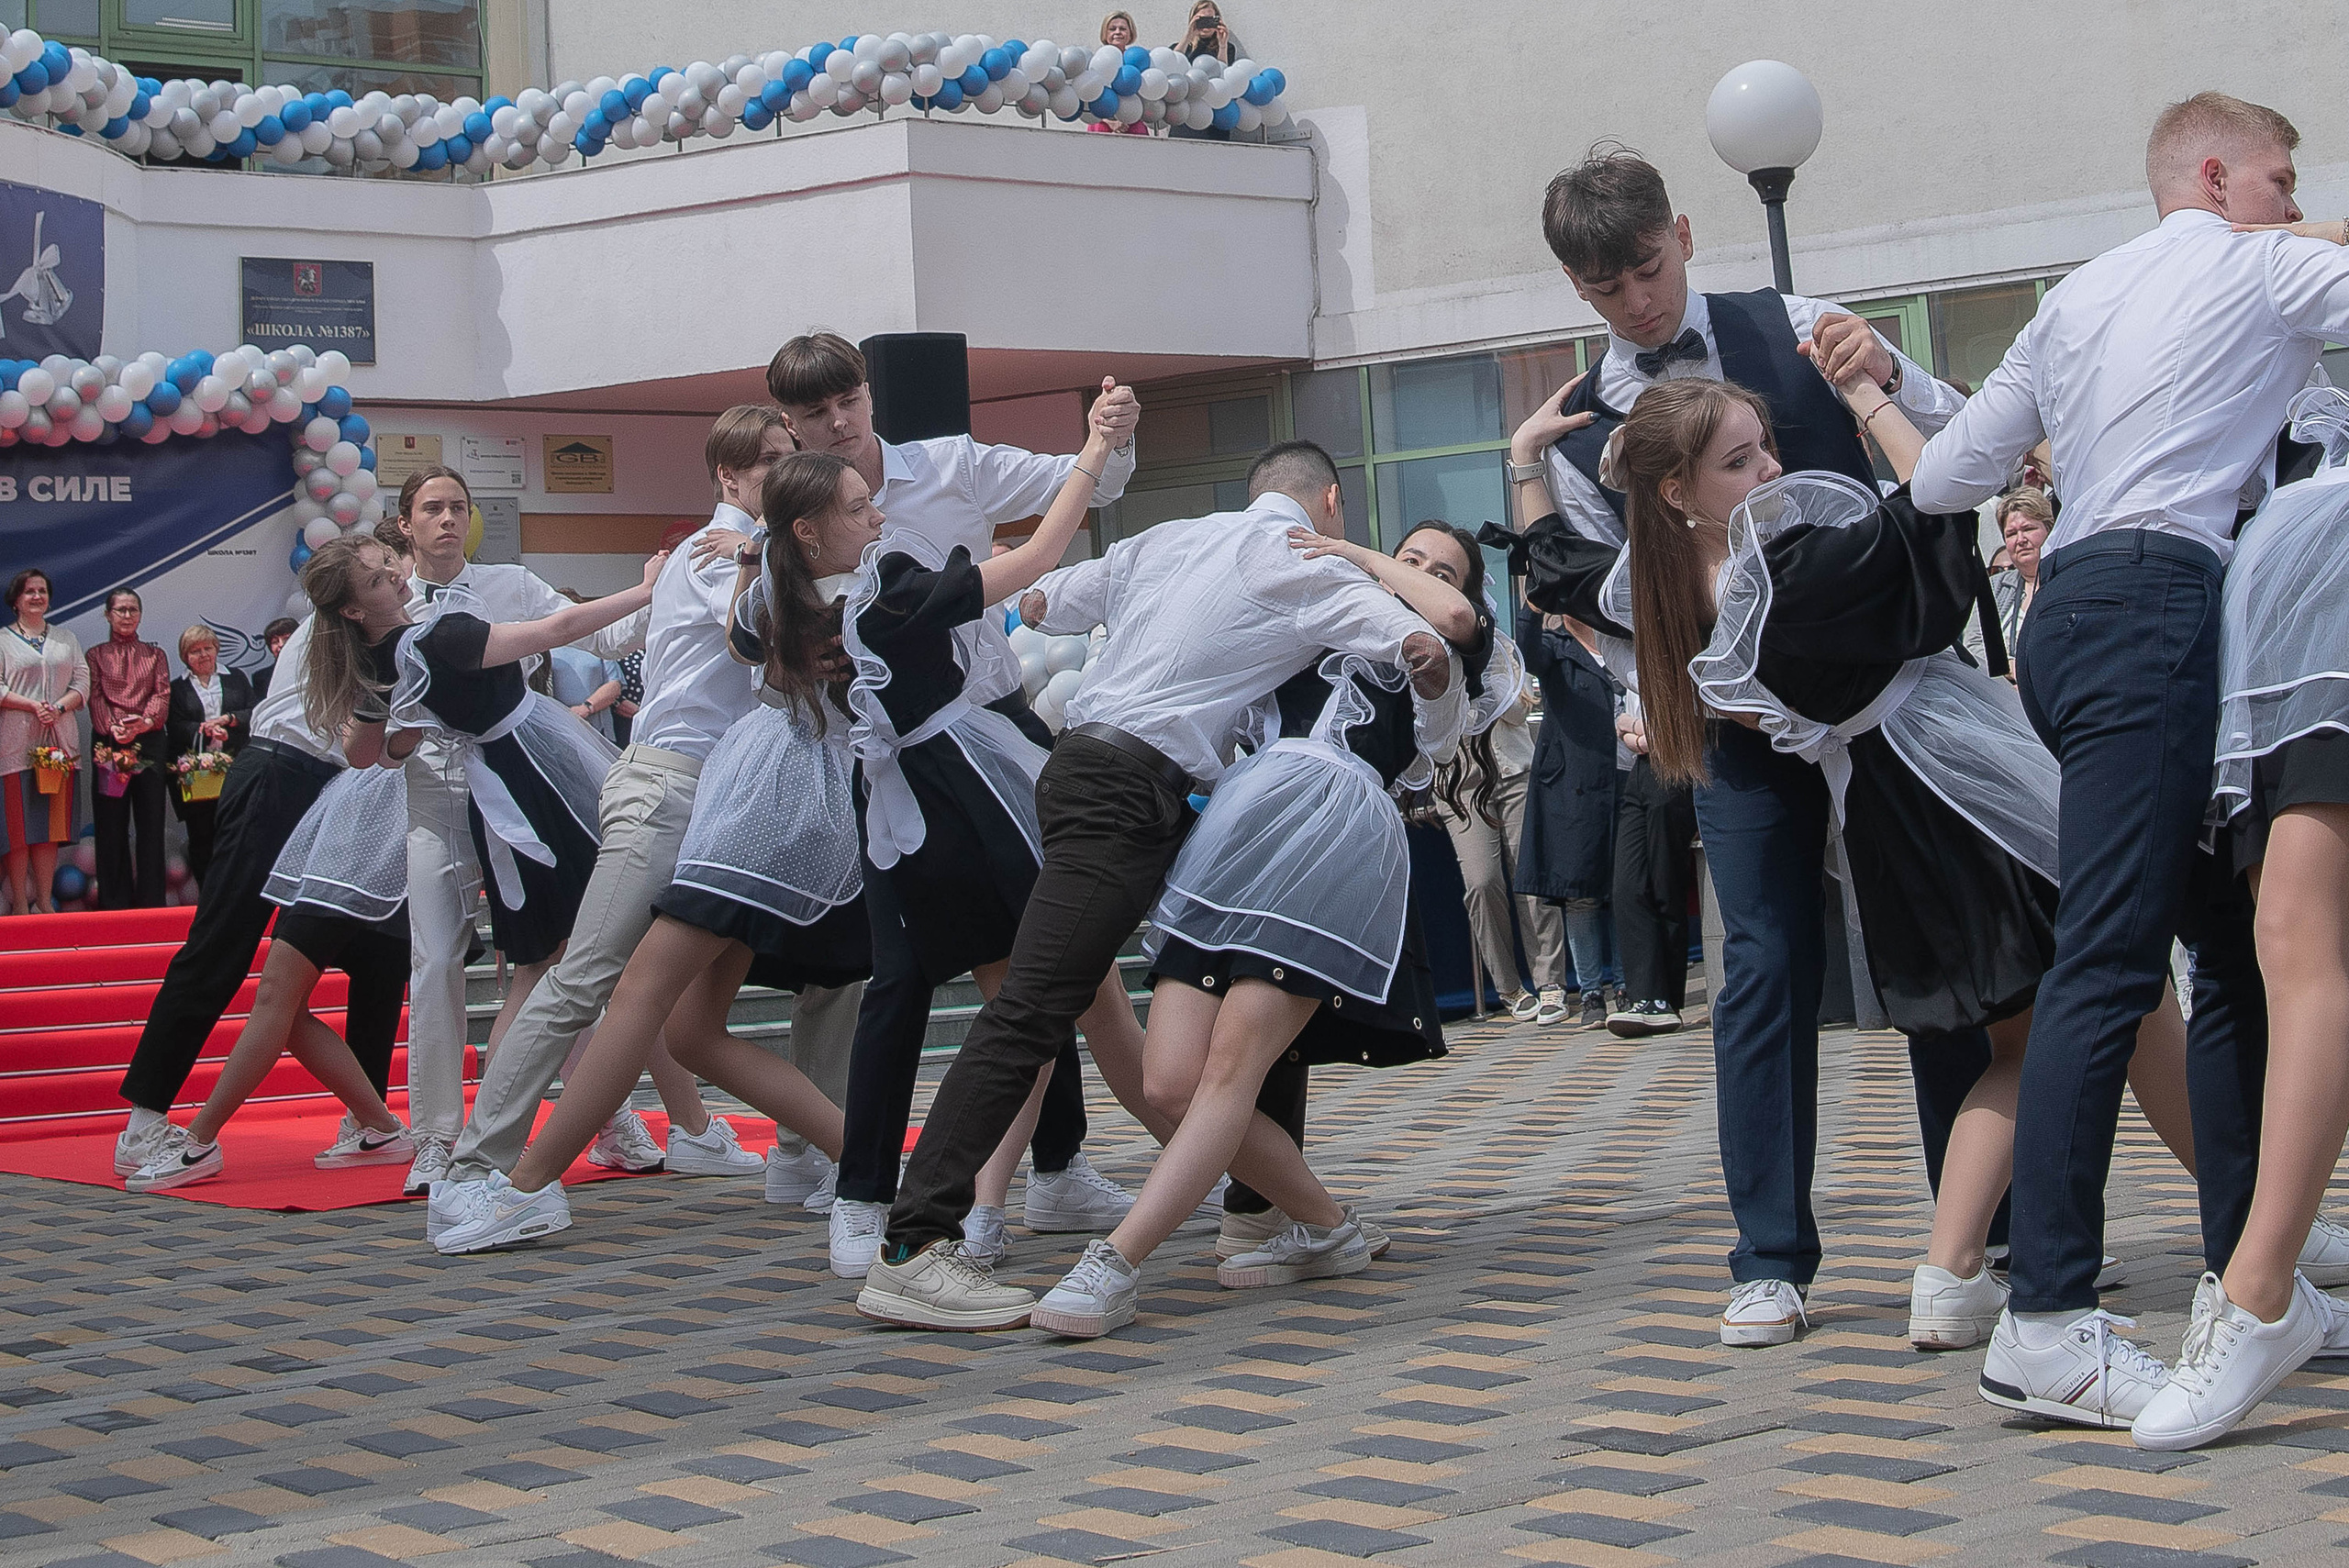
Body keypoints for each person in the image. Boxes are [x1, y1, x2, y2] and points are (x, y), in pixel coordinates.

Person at [1908, 92, 2349, 1433]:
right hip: (2167, 605)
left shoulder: (2078, 295)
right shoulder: (2261, 260)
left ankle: (2250, 1279)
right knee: (2111, 959)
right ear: (2216, 175)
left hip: (2079, 619)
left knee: (2220, 944)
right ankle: (2046, 1320)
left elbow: (1948, 476)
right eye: (2282, 175)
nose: (2291, 193)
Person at [1512, 145, 1997, 1348]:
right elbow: (1598, 607)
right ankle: (1769, 1259)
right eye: (1610, 287)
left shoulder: (1797, 325)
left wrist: (1886, 367)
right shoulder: (1581, 431)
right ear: (1578, 292)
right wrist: (1686, 689)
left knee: (1936, 961)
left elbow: (1955, 446)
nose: (1640, 301)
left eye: (1649, 267)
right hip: (1740, 726)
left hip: (1887, 711)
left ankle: (1976, 1238)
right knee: (1763, 970)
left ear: (1682, 232)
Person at [854, 439, 1454, 1332]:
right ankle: (915, 1241)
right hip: (1128, 793)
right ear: (1328, 503)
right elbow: (1417, 641)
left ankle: (1268, 1211)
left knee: (1232, 953)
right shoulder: (1298, 560)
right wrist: (1419, 673)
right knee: (1033, 1006)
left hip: (1083, 773)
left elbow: (1043, 600)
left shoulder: (1169, 537)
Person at [763, 334, 1149, 1276]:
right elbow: (1037, 553)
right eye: (818, 416)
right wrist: (1092, 454)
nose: (844, 427)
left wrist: (1105, 445)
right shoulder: (864, 572)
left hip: (977, 747)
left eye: (850, 401)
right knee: (974, 977)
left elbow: (1070, 506)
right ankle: (908, 1196)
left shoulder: (920, 499)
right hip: (921, 774)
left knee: (1036, 968)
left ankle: (1041, 1171)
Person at [429, 407, 863, 1218]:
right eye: (766, 462)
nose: (782, 471)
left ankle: (815, 1155)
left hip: (745, 800)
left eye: (789, 458)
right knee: (589, 975)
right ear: (729, 477)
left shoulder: (764, 550)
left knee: (821, 975)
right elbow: (755, 631)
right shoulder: (718, 551)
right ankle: (478, 1167)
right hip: (674, 784)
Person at [2143, 383, 2349, 1448]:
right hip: (2301, 626)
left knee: (2294, 938)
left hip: (2321, 629)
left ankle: (2260, 1289)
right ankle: (2264, 1281)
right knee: (2282, 937)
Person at [391, 463, 671, 1196]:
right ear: (405, 524)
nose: (448, 519)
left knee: (568, 951)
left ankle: (604, 1115)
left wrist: (661, 588)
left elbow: (601, 634)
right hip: (433, 793)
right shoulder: (386, 597)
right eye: (432, 508)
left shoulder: (510, 581)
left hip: (522, 786)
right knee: (435, 959)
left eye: (458, 506)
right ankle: (436, 1136)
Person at [1418, 526, 1567, 1026]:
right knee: (1481, 883)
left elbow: (1518, 705)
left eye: (1445, 572)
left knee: (1530, 876)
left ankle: (1551, 983)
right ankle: (1508, 987)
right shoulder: (1406, 640)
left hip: (1512, 768)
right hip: (1456, 784)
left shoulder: (1490, 639)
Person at [1518, 608, 1624, 1027]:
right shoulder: (1555, 647)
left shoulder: (1620, 642)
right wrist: (1532, 607)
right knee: (1580, 893)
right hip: (1573, 783)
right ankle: (1592, 991)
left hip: (1625, 773)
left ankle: (1627, 983)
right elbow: (1526, 653)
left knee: (1622, 885)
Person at [1603, 689, 1698, 1036]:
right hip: (1639, 769)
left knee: (1664, 880)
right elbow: (1623, 727)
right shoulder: (1625, 652)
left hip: (1675, 764)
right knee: (1627, 883)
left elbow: (1673, 727)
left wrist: (1638, 730)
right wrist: (1636, 729)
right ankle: (1644, 993)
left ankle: (1663, 999)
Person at [1, 569, 87, 915]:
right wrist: (32, 705)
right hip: (16, 746)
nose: (37, 597)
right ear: (16, 600)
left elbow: (83, 680)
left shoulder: (66, 639)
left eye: (42, 591)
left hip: (58, 747)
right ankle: (21, 903)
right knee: (19, 829)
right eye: (29, 591)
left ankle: (44, 901)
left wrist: (60, 707)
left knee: (50, 828)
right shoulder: (3, 640)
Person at [85, 588, 173, 910]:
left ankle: (152, 902)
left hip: (148, 739)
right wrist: (114, 729)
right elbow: (95, 696)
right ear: (108, 615)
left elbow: (161, 694)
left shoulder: (155, 655)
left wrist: (144, 723)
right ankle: (114, 902)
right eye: (120, 610)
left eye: (133, 610)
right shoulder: (96, 654)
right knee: (111, 823)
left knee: (151, 821)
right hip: (109, 741)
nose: (126, 615)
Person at [166, 626, 254, 886]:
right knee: (202, 837)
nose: (203, 655)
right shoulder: (177, 688)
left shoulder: (236, 678)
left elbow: (254, 712)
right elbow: (176, 725)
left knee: (237, 834)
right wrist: (204, 730)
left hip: (236, 769)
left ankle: (238, 891)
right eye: (195, 651)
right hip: (197, 776)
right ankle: (208, 892)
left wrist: (230, 720)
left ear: (216, 649)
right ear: (185, 657)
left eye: (208, 648)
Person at [1964, 488, 2052, 673]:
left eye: (2028, 529)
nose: (2021, 540)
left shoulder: (2070, 582)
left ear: (2049, 530)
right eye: (2011, 533)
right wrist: (2007, 668)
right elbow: (1974, 643)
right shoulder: (1994, 588)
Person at [1168, 1, 1241, 142]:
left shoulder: (1227, 48)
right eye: (1201, 20)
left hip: (1214, 116)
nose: (1206, 25)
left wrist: (1223, 45)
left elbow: (1223, 74)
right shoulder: (1182, 47)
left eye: (1210, 20)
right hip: (1184, 114)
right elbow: (1172, 64)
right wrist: (1189, 34)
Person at [1089, 12, 1151, 137]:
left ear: (1130, 34)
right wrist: (1111, 122)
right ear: (1105, 34)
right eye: (1112, 29)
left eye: (1122, 29)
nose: (1117, 32)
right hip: (1102, 125)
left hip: (1133, 125)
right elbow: (1087, 96)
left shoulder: (1139, 59)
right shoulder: (1096, 61)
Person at [249, 617, 299, 702]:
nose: (281, 645)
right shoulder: (261, 678)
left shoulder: (316, 668)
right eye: (275, 642)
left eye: (287, 639)